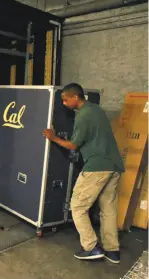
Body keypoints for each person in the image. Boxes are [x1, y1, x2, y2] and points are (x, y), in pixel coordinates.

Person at [43, 83, 124, 264]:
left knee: (78, 206)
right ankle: (112, 250)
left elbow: (73, 145)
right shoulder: (97, 110)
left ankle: (91, 247)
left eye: (65, 99)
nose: (63, 103)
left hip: (97, 167)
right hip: (114, 165)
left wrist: (53, 137)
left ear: (75, 97)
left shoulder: (84, 116)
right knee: (108, 209)